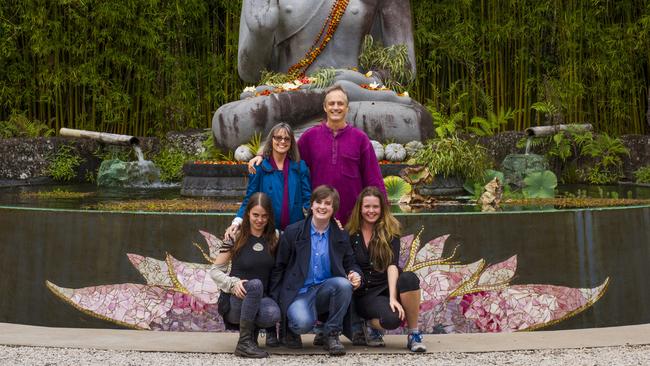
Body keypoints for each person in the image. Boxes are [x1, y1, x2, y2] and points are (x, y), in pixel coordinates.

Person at [249, 85, 386, 225]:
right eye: (331, 103)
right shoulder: (311, 137)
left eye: (340, 103)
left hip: (352, 218)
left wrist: (384, 213)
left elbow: (374, 178)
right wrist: (262, 155)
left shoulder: (360, 139)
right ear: (325, 107)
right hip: (319, 218)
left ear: (347, 108)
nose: (336, 107)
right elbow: (286, 156)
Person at [269, 185, 362, 356]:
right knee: (302, 323)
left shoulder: (341, 235)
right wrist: (278, 302)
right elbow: (279, 267)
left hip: (324, 291)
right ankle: (290, 328)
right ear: (311, 205)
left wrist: (355, 274)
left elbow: (351, 264)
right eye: (318, 202)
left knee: (343, 284)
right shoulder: (293, 232)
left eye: (328, 203)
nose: (322, 207)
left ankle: (332, 334)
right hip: (299, 293)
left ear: (333, 209)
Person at [345, 186, 427, 352]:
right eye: (367, 206)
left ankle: (414, 334)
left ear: (382, 208)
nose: (371, 211)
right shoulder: (350, 233)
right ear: (360, 208)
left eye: (375, 206)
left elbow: (392, 265)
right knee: (391, 319)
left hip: (388, 284)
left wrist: (392, 298)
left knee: (409, 278)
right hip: (366, 293)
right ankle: (368, 324)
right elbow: (347, 263)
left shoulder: (390, 231)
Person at [210, 192, 282, 358]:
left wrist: (334, 225)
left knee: (272, 314)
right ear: (248, 213)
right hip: (236, 300)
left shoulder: (275, 237)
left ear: (269, 216)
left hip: (261, 298)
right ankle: (244, 343)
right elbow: (214, 271)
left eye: (264, 216)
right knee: (255, 284)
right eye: (255, 215)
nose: (259, 220)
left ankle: (252, 339)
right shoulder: (234, 235)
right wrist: (233, 284)